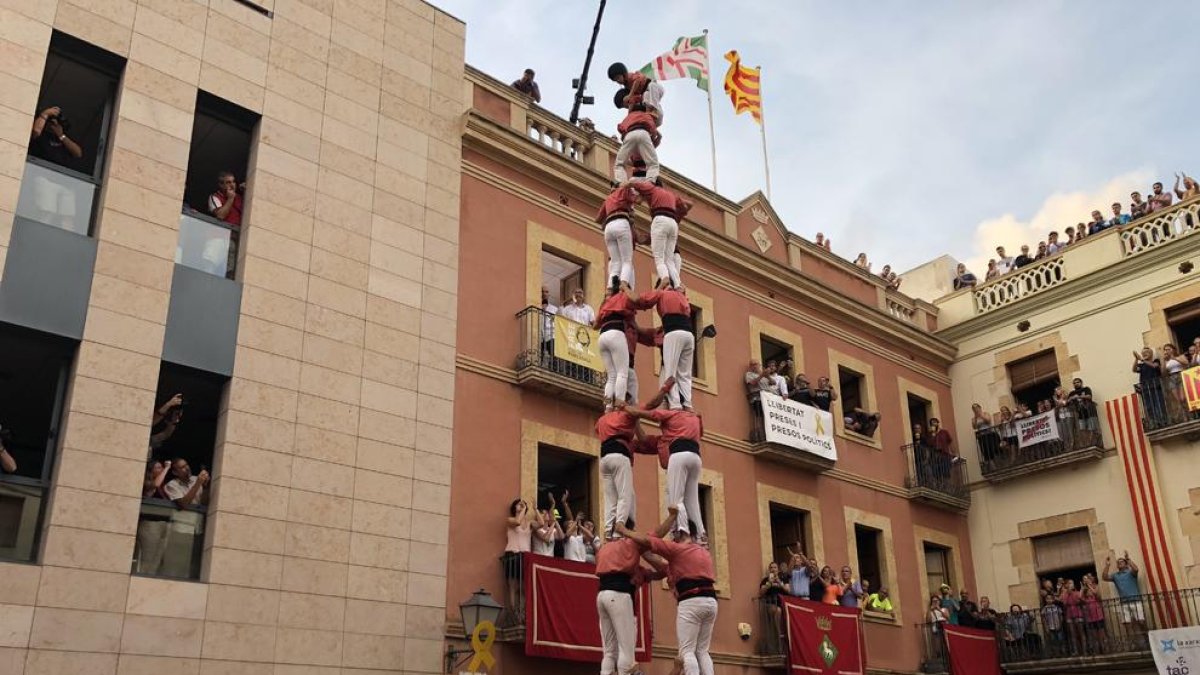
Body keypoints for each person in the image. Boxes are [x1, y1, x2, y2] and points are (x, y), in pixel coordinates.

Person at [617, 507, 716, 675]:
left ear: (680, 532)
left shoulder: (677, 550)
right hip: (711, 601)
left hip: (691, 600)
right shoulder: (702, 553)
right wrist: (642, 553)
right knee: (703, 651)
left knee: (687, 651)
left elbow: (648, 541)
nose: (672, 536)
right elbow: (661, 564)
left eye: (674, 532)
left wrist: (624, 531)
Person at [618, 382, 705, 539]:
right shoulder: (691, 419)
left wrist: (625, 408)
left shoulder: (671, 414)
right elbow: (643, 440)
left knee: (674, 498)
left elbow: (647, 413)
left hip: (679, 457)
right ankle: (701, 534)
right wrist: (635, 422)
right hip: (695, 458)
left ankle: (682, 532)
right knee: (692, 500)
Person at [594, 519, 665, 675]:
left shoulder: (604, 548)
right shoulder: (630, 545)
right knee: (626, 650)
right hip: (619, 597)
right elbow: (656, 536)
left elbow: (660, 573)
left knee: (609, 651)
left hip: (602, 596)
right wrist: (672, 517)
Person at [634, 284, 694, 410]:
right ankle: (686, 405)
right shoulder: (682, 299)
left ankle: (676, 406)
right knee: (683, 376)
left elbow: (642, 300)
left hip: (668, 363)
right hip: (687, 336)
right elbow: (645, 333)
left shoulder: (662, 294)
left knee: (669, 376)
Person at [630, 181, 690, 289]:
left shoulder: (652, 190)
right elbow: (685, 207)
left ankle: (665, 278)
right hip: (673, 223)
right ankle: (677, 285)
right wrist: (677, 214)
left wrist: (625, 185)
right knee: (668, 260)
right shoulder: (671, 195)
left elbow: (636, 183)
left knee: (659, 259)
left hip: (660, 219)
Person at [596, 281, 638, 411]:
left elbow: (594, 325)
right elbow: (632, 314)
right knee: (622, 373)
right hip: (616, 333)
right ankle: (619, 401)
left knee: (611, 376)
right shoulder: (622, 297)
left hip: (602, 337)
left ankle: (607, 406)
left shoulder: (605, 303)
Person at [597, 184, 639, 288]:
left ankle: (610, 289)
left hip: (608, 227)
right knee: (627, 261)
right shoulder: (623, 191)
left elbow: (597, 219)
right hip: (621, 222)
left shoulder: (608, 199)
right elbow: (637, 200)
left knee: (615, 263)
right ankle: (623, 286)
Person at [612, 103, 660, 185]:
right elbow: (653, 129)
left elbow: (620, 128)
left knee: (619, 163)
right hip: (643, 133)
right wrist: (653, 137)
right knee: (653, 164)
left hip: (629, 134)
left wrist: (626, 140)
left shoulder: (628, 117)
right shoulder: (646, 115)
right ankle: (650, 182)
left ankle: (621, 183)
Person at [1103, 552, 1146, 639]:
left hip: (1135, 600)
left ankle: (1147, 639)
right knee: (1127, 624)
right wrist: (1107, 565)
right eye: (1118, 562)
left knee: (1141, 622)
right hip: (1124, 603)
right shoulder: (1115, 575)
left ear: (1126, 564)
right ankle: (1133, 643)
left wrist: (1128, 559)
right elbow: (1104, 577)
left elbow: (1136, 569)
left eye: (1122, 561)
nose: (1119, 563)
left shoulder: (1130, 573)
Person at [504, 499, 534, 614]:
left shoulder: (528, 522)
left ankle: (521, 612)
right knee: (513, 585)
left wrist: (533, 509)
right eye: (519, 504)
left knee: (524, 587)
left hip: (525, 555)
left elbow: (541, 524)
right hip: (512, 553)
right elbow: (517, 522)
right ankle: (513, 613)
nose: (521, 506)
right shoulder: (510, 520)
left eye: (523, 505)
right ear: (514, 507)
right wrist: (523, 510)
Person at [1134, 348, 1167, 426]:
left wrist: (1142, 359)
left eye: (1146, 352)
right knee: (1149, 407)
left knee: (1159, 404)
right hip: (1145, 388)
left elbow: (1155, 366)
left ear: (1151, 353)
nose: (1144, 354)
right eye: (1143, 353)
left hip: (1156, 387)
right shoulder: (1142, 365)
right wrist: (1136, 359)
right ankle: (1154, 422)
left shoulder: (1155, 361)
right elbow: (1134, 369)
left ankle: (1163, 421)